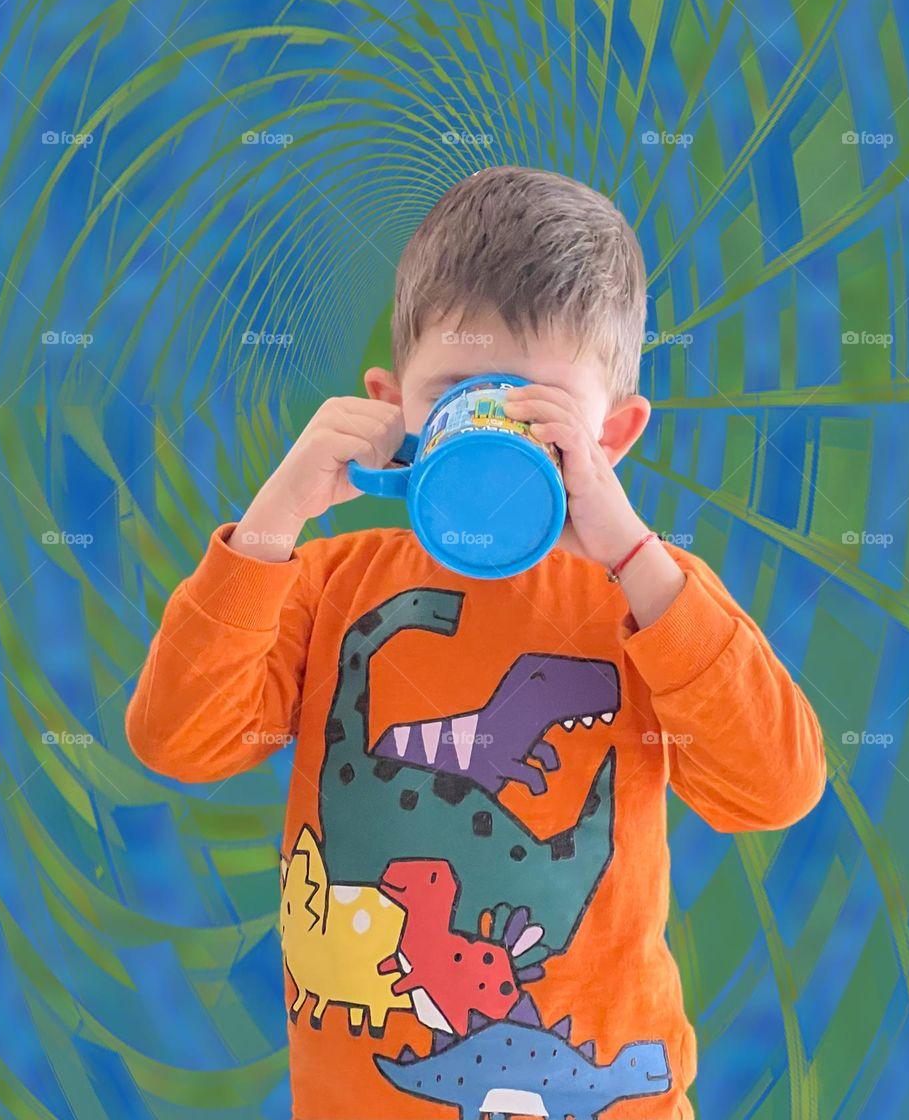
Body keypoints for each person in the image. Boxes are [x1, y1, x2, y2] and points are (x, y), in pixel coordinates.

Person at [125, 165, 827, 1120]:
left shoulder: (650, 598)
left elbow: (775, 790)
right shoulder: (324, 583)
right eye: (460, 393)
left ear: (613, 436)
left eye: (540, 408)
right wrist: (272, 521)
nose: (497, 428)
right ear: (394, 408)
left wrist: (635, 556)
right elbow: (178, 742)